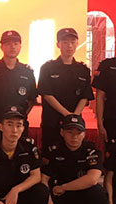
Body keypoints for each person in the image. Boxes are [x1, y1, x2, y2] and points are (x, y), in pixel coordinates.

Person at [42, 114, 108, 204]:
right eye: (70, 132)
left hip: (82, 196)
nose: (74, 137)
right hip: (60, 197)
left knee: (98, 192)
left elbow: (92, 179)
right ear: (62, 132)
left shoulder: (91, 151)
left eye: (78, 133)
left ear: (84, 134)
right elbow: (43, 179)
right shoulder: (54, 151)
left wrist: (64, 187)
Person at [37, 28, 93, 158]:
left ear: (77, 43)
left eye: (73, 42)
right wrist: (67, 114)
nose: (69, 46)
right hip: (52, 121)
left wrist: (74, 115)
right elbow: (47, 94)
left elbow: (85, 96)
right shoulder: (47, 68)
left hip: (74, 124)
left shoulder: (83, 69)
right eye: (65, 42)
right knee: (50, 158)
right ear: (58, 44)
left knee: (73, 157)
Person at [0, 30, 36, 144]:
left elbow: (32, 99)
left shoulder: (27, 71)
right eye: (8, 44)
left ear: (20, 47)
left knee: (20, 152)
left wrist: (21, 116)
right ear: (1, 47)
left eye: (15, 44)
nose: (12, 47)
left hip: (18, 124)